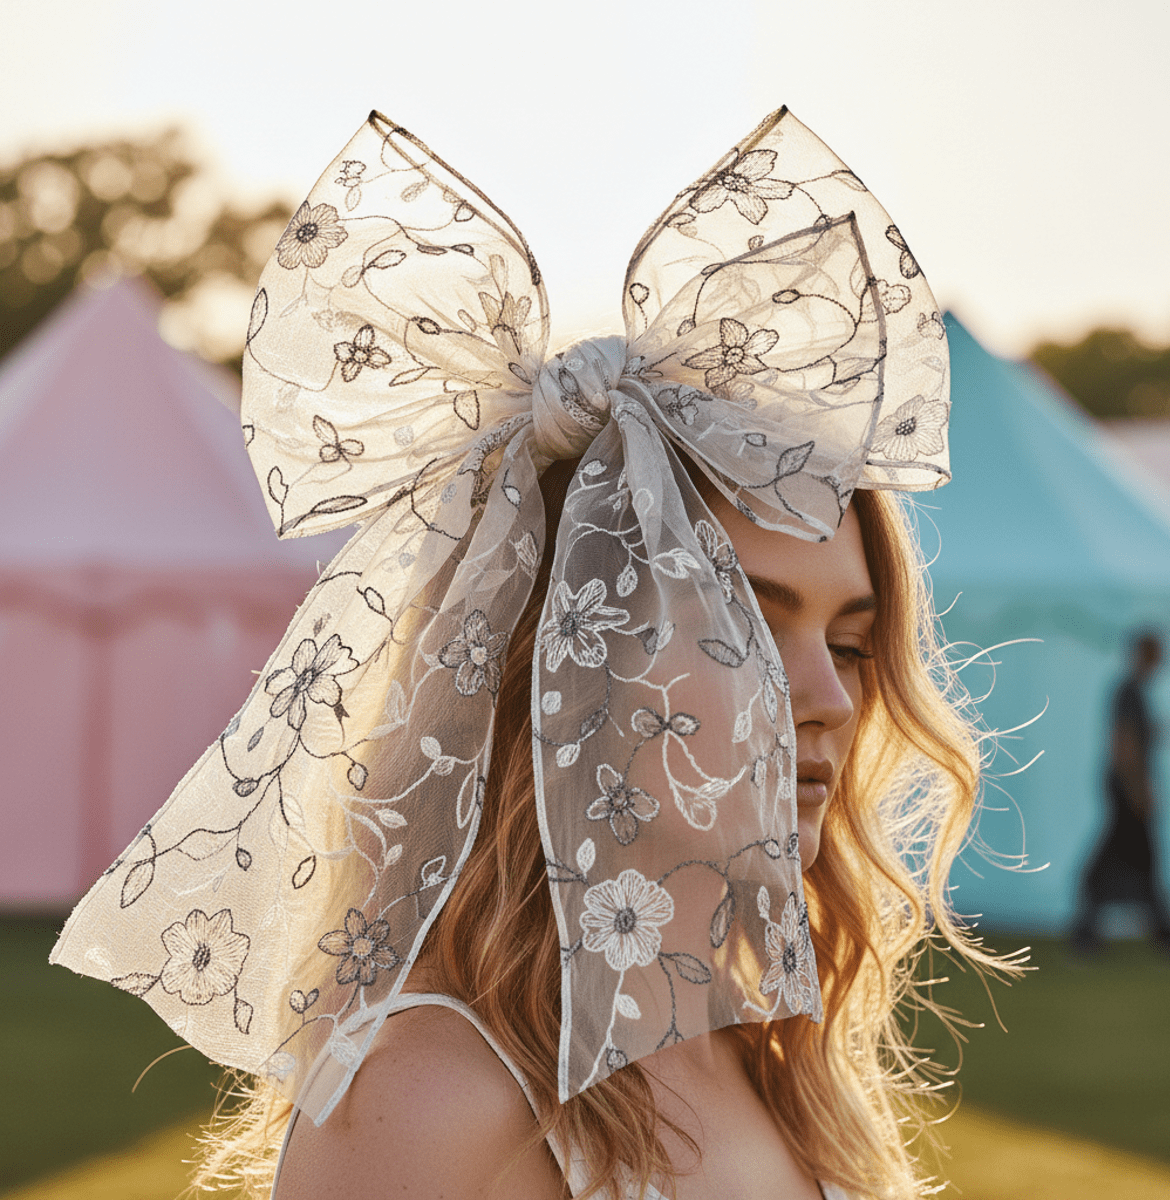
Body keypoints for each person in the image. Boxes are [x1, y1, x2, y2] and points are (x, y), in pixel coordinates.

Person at [51, 109, 1016, 1200]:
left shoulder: (776, 1058)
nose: (830, 697)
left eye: (852, 641)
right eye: (743, 624)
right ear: (559, 663)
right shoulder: (435, 1101)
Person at [1071, 630, 1170, 954]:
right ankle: (1162, 935)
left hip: (1125, 787)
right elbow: (1125, 746)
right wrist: (1139, 791)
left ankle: (1164, 933)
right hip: (1126, 789)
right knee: (1117, 863)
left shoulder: (1132, 692)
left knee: (1142, 863)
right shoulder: (1128, 692)